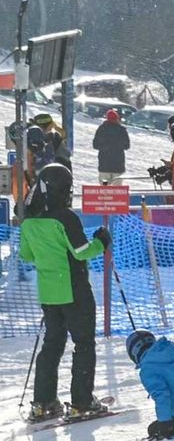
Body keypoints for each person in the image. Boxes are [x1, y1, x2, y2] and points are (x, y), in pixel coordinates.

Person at [21, 164, 111, 422]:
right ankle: (82, 402)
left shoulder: (30, 220)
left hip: (49, 293)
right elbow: (82, 252)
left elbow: (27, 255)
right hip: (74, 290)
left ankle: (43, 402)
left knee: (52, 344)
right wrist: (101, 242)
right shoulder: (65, 217)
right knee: (83, 344)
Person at [92, 108, 130, 186]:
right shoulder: (122, 130)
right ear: (117, 118)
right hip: (118, 167)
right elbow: (127, 146)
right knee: (117, 190)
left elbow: (95, 145)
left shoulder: (102, 129)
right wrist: (117, 146)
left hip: (104, 167)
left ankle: (105, 194)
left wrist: (105, 147)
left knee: (104, 188)